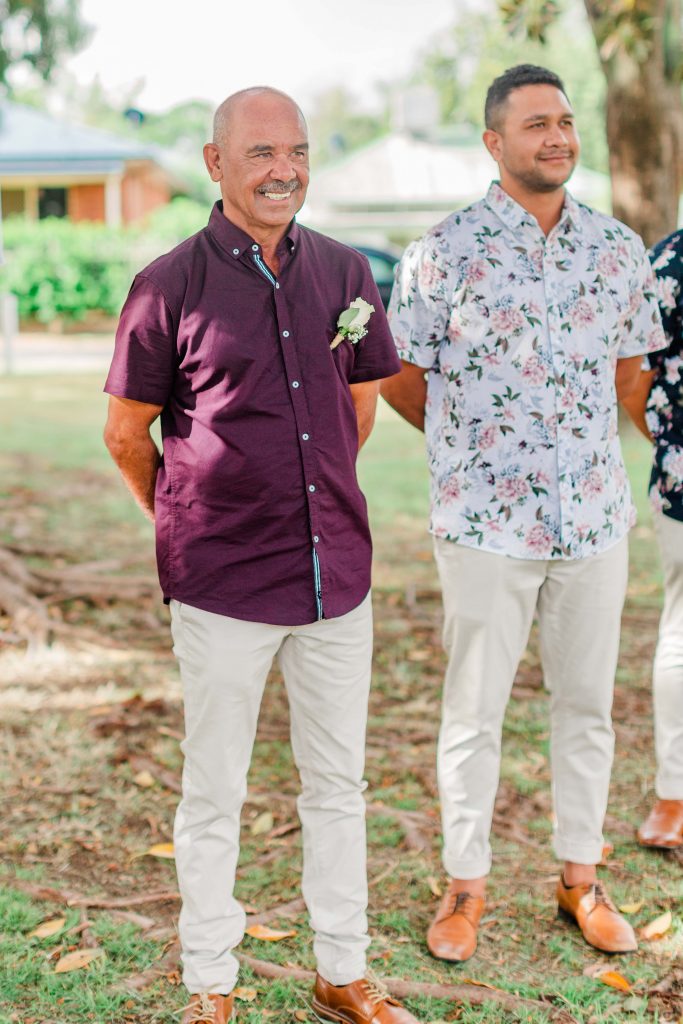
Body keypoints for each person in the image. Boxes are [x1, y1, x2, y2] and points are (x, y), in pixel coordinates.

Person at [103, 86, 420, 1024]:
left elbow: (357, 406)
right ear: (215, 163)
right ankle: (210, 984)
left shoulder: (346, 271)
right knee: (214, 790)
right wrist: (183, 515)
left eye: (297, 151)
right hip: (223, 583)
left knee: (338, 785)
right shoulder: (167, 284)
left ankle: (342, 972)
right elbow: (125, 433)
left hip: (335, 579)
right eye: (260, 153)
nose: (284, 170)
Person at [382, 64, 665, 963]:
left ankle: (580, 879)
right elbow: (399, 374)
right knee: (474, 712)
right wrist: (473, 452)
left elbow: (628, 371)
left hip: (593, 522)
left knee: (586, 707)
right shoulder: (441, 251)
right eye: (536, 123)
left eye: (565, 121)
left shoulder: (616, 249)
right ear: (493, 141)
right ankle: (465, 887)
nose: (557, 137)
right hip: (483, 526)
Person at [622, 228, 683, 850]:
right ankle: (675, 793)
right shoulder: (669, 261)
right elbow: (633, 383)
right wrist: (673, 450)